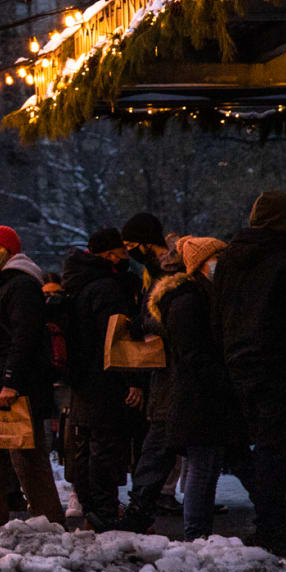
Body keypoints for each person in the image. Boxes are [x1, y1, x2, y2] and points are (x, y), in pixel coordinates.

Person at [150, 236, 247, 540]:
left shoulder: (200, 296)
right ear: (199, 264)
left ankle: (198, 534)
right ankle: (196, 535)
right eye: (214, 259)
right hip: (199, 399)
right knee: (202, 469)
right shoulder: (189, 301)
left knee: (204, 468)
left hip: (203, 397)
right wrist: (222, 379)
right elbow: (193, 353)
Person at [0, 226, 66, 531]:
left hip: (15, 386)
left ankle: (48, 520)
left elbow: (24, 338)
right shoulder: (2, 286)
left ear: (11, 251)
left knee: (27, 455)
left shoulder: (20, 286)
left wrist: (11, 380)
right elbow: (2, 337)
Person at [213, 190, 286, 555]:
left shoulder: (229, 258)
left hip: (239, 362)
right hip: (278, 362)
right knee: (275, 447)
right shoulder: (281, 256)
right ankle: (275, 525)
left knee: (265, 445)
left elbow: (218, 313)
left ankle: (270, 522)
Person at [59, 228, 144, 531]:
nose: (126, 255)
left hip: (82, 377)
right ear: (110, 253)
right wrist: (132, 378)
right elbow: (117, 339)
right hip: (105, 378)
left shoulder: (77, 282)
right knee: (106, 447)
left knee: (86, 446)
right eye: (122, 249)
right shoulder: (107, 288)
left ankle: (92, 508)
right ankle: (105, 512)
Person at [119, 213, 184, 529]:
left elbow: (173, 322)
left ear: (147, 242)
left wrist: (143, 325)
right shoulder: (153, 274)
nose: (130, 250)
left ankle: (139, 510)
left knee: (158, 446)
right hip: (166, 373)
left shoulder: (169, 276)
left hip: (174, 373)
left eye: (132, 244)